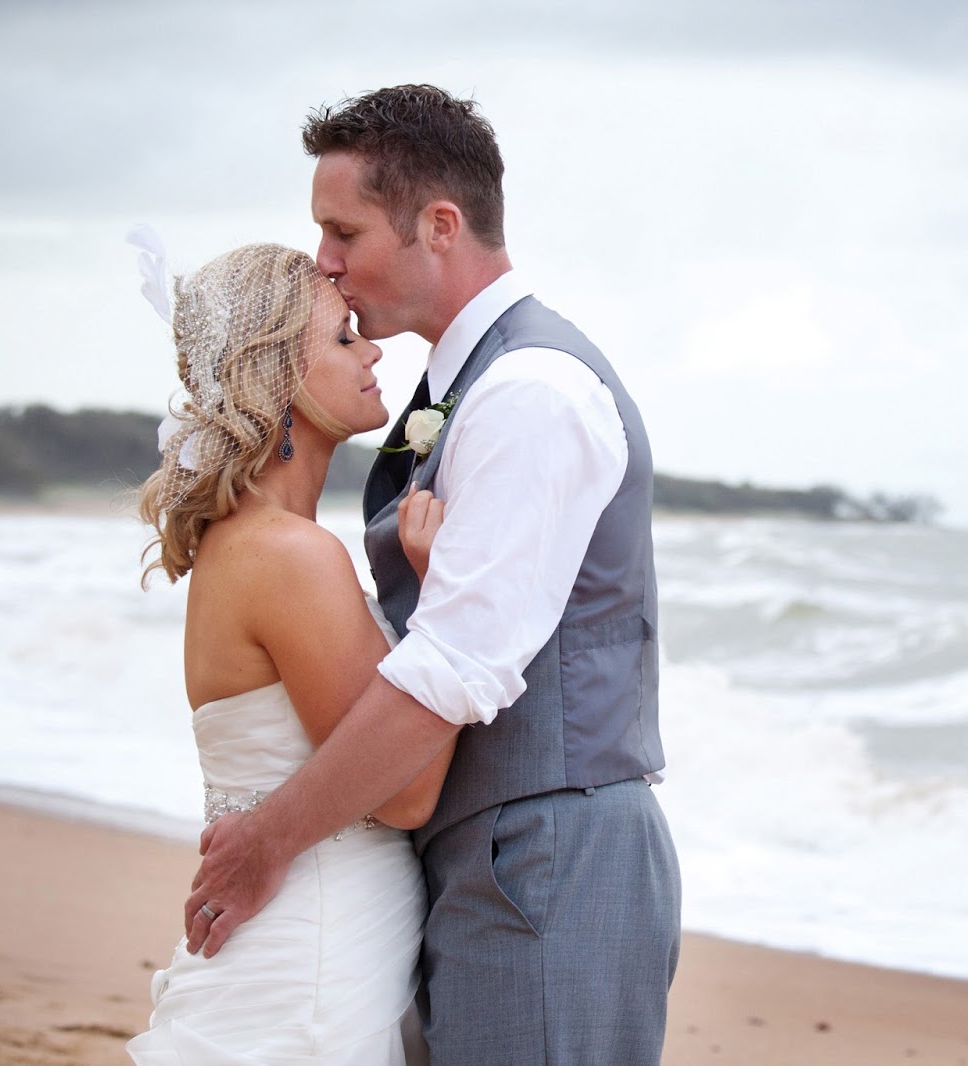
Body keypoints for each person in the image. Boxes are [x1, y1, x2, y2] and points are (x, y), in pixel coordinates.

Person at [184, 85, 682, 1064]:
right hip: (486, 856)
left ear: (439, 226)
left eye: (344, 231)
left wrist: (269, 839)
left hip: (547, 856)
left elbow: (457, 664)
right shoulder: (462, 388)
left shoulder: (529, 391)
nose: (324, 260)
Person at [125, 241, 455, 1064]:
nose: (373, 352)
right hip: (315, 958)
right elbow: (407, 793)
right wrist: (447, 599)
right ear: (277, 380)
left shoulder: (250, 543)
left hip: (312, 944)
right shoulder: (288, 554)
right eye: (344, 336)